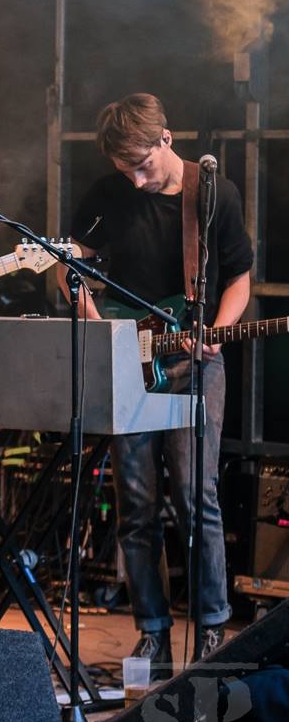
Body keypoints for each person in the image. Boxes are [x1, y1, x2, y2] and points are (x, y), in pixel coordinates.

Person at [58, 93, 253, 680]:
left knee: (196, 496)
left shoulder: (212, 192)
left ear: (166, 139)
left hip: (194, 360)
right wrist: (99, 327)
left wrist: (218, 332)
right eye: (126, 170)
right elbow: (71, 267)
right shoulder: (107, 194)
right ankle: (152, 634)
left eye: (143, 165)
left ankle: (213, 627)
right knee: (136, 503)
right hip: (129, 360)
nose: (137, 180)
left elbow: (239, 277)